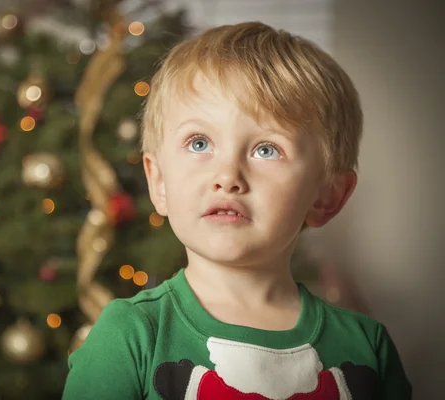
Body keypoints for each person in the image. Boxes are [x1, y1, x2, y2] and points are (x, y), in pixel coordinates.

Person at [62, 21, 411, 400]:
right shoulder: (131, 335)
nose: (228, 176)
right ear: (159, 182)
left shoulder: (367, 349)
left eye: (266, 149)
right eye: (199, 143)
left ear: (326, 196)